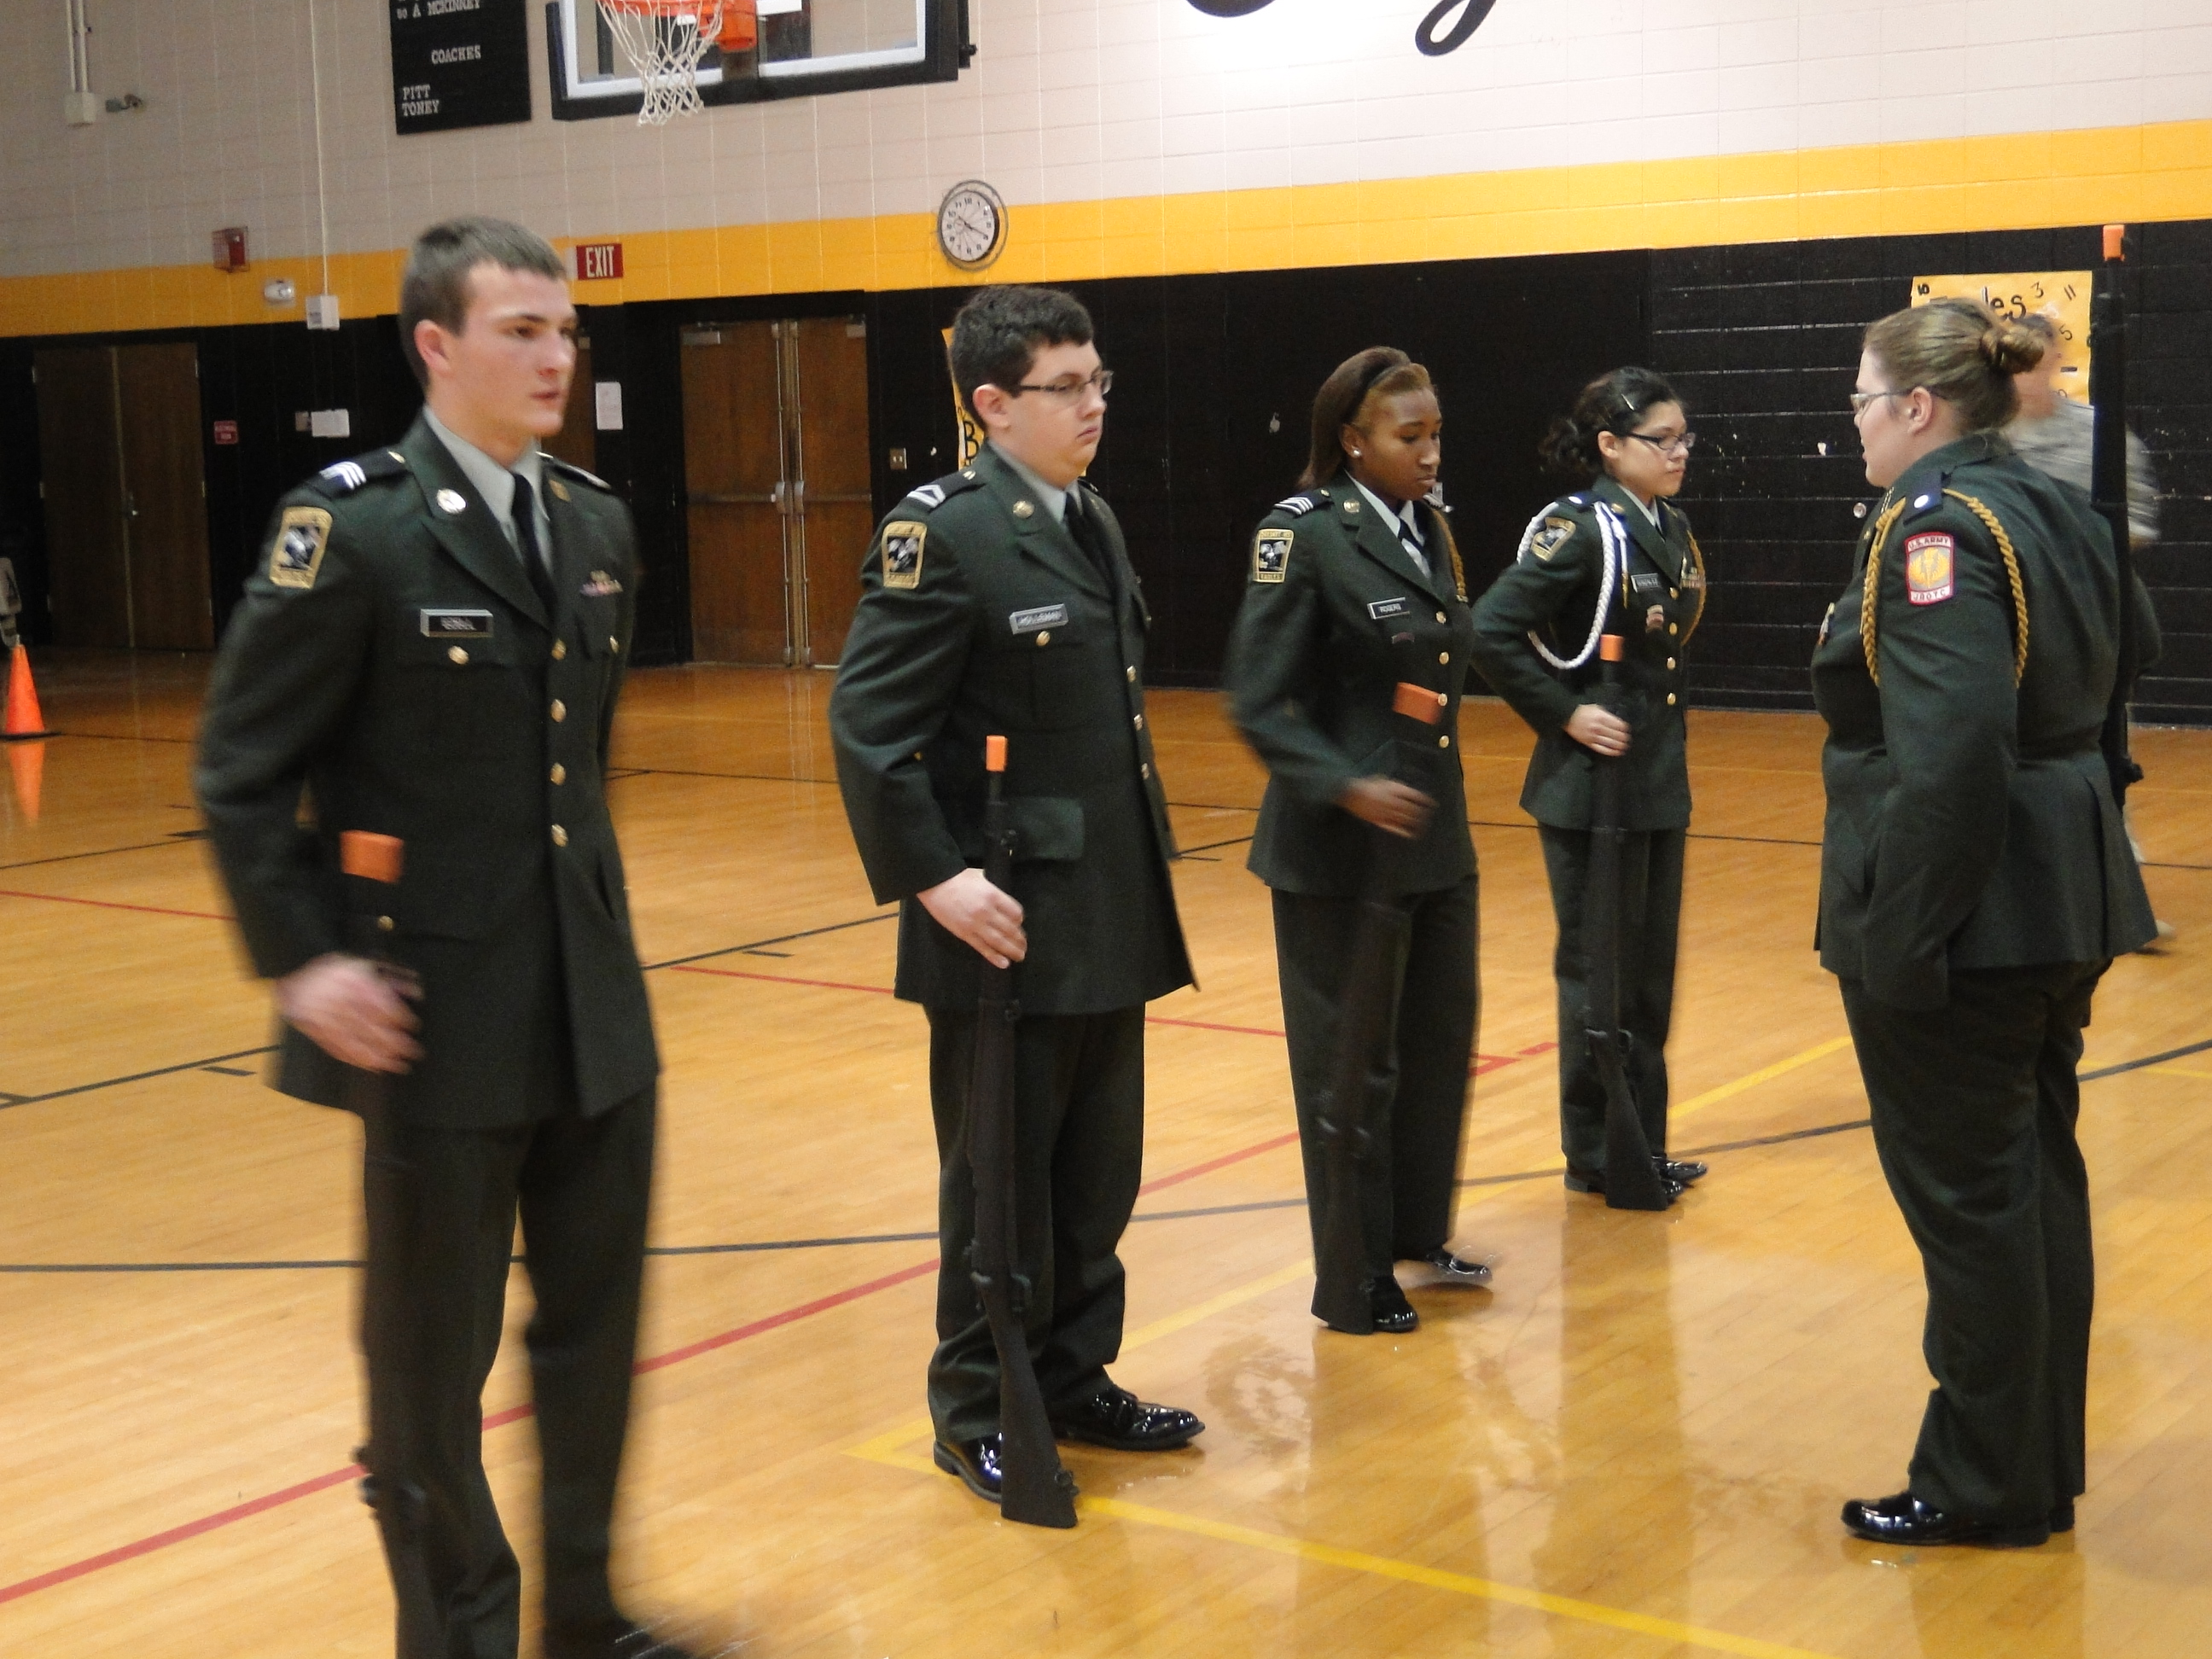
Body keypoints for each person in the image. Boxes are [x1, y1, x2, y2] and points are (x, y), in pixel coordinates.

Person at [195, 218, 689, 1659]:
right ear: (436, 346)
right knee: (427, 1379)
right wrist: (303, 956)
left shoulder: (593, 520)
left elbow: (572, 778)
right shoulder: (351, 528)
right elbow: (236, 764)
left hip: (592, 1006)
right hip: (434, 1015)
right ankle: (460, 1632)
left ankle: (587, 1615)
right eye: (523, 329)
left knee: (594, 1338)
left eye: (566, 330)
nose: (557, 355)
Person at [828, 285, 1202, 1508]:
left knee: (1098, 1173)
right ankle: (978, 1405)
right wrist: (936, 880)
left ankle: (1073, 1372)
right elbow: (871, 730)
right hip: (1001, 923)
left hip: (1106, 909)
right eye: (1066, 387)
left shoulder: (1088, 518)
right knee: (998, 1184)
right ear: (992, 404)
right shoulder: (945, 534)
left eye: (1100, 382)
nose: (1094, 404)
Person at [1818, 297, 2156, 1546]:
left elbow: (1952, 752)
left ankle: (1982, 1482)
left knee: (1969, 1206)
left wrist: (1903, 933)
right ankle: (2029, 1467)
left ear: (1916, 407)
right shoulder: (2056, 507)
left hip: (1971, 912)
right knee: (2030, 1185)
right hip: (2057, 889)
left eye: (1861, 402)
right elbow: (2141, 643)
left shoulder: (1936, 526)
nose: (1852, 427)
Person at [1223, 346, 1492, 1336]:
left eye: (1435, 437)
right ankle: (1351, 1277)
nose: (1428, 456)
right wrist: (1346, 786)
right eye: (1407, 438)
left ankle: (1415, 1235)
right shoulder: (1303, 537)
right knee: (1350, 1069)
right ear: (1352, 441)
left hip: (1432, 840)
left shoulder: (1429, 528)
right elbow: (1257, 701)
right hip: (1339, 853)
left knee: (1433, 1051)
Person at [1465, 369, 1712, 1202]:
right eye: (1662, 439)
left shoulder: (1666, 525)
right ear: (1609, 446)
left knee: (1648, 978)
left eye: (1684, 437)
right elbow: (1490, 629)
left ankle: (1642, 1137)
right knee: (1598, 977)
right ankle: (1597, 1149)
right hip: (1589, 790)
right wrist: (1564, 714)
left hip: (1654, 785)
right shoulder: (1577, 530)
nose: (1680, 453)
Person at [2005, 311, 2174, 949]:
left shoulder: (2100, 436)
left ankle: (2118, 898)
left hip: (2090, 618)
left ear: (2056, 359)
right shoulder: (1986, 436)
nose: (2029, 372)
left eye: (2039, 357)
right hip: (2017, 624)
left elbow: (2131, 529)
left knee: (2102, 756)